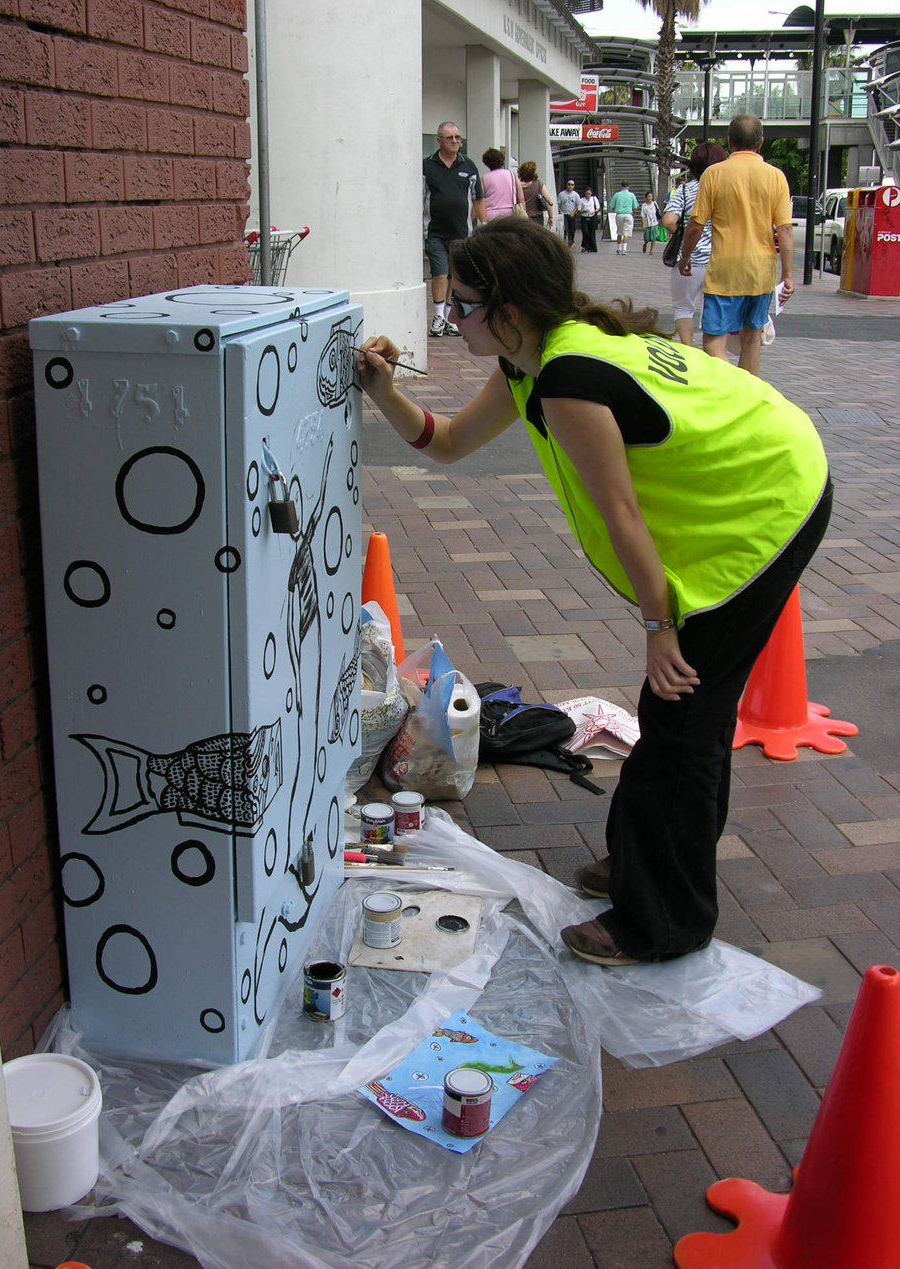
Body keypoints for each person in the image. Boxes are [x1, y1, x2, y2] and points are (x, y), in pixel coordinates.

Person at [356, 219, 830, 967]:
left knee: (680, 721)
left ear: (508, 311)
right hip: (753, 482)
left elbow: (623, 516)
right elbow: (446, 443)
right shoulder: (530, 359)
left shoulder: (568, 379)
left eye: (464, 304)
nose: (454, 316)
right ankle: (650, 862)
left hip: (772, 503)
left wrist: (660, 624)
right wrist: (383, 391)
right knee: (683, 718)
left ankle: (662, 920)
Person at [678, 115, 793, 375]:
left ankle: (730, 388)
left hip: (724, 272)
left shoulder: (714, 174)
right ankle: (747, 398)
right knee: (752, 338)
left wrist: (685, 257)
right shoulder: (776, 177)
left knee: (713, 341)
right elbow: (784, 229)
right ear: (761, 142)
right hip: (761, 271)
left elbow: (696, 225)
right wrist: (788, 276)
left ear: (729, 141)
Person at [423, 121, 487, 338]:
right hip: (434, 232)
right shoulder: (427, 166)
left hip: (460, 234)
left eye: (458, 137)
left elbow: (478, 199)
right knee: (439, 274)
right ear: (439, 140)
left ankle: (450, 318)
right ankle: (438, 316)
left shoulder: (468, 166)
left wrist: (484, 226)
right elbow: (419, 197)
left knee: (453, 276)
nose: (454, 141)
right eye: (449, 138)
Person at [661, 143, 726, 345]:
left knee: (683, 308)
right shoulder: (727, 189)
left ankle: (688, 350)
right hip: (721, 260)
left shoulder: (685, 190)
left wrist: (680, 231)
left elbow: (669, 221)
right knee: (716, 308)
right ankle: (715, 352)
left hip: (689, 260)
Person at [481, 147, 525, 223]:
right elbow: (521, 198)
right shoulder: (512, 175)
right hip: (510, 214)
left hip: (491, 216)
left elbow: (479, 200)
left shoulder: (484, 179)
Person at [518, 162, 554, 228]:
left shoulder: (516, 185)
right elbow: (548, 201)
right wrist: (551, 217)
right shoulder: (538, 184)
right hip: (537, 218)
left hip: (521, 217)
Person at [608, 180, 639, 254]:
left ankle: (618, 248)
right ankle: (624, 249)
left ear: (621, 186)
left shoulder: (617, 194)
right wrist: (633, 215)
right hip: (628, 214)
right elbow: (635, 207)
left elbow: (611, 205)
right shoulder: (632, 195)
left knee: (619, 232)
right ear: (628, 187)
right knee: (626, 233)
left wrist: (616, 209)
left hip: (619, 215)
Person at [557, 178, 582, 247]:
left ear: (574, 186)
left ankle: (571, 242)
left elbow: (578, 205)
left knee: (572, 229)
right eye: (569, 184)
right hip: (564, 214)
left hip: (572, 214)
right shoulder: (561, 194)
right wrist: (559, 211)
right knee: (565, 228)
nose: (570, 186)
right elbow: (558, 204)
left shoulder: (576, 195)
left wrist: (573, 212)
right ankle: (564, 242)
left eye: (572, 185)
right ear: (566, 185)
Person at [578, 187, 600, 252]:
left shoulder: (594, 199)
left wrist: (595, 211)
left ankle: (592, 247)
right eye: (587, 194)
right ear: (585, 194)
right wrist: (584, 211)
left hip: (592, 216)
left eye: (589, 194)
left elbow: (598, 207)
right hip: (584, 217)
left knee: (592, 233)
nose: (588, 195)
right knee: (585, 232)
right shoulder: (581, 200)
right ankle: (585, 245)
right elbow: (578, 210)